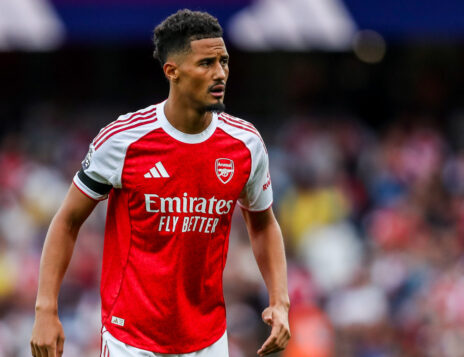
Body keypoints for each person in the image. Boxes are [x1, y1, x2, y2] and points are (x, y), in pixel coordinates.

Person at [30, 9, 290, 357]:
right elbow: (67, 221)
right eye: (206, 63)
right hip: (131, 340)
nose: (220, 73)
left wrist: (280, 301)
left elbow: (263, 223)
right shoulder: (124, 140)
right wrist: (45, 310)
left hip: (208, 339)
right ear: (173, 71)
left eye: (224, 61)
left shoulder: (245, 143)